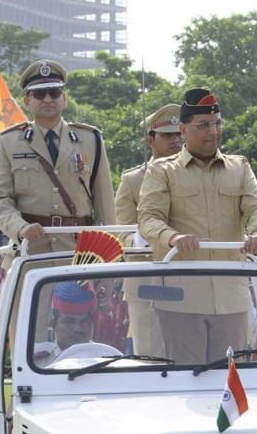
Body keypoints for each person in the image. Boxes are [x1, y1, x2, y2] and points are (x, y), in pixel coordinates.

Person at [137, 87, 257, 364]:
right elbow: (148, 219)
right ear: (183, 130)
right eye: (203, 126)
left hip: (231, 299)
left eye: (217, 123)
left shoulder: (240, 167)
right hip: (181, 300)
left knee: (230, 383)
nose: (213, 131)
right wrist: (172, 238)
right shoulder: (162, 170)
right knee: (188, 383)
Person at [0, 59, 115, 261]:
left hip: (79, 253)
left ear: (64, 98)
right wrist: (20, 228)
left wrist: (106, 257)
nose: (47, 99)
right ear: (27, 101)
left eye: (54, 93)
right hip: (30, 251)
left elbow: (104, 204)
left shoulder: (91, 139)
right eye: (39, 94)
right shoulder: (8, 142)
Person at [114, 103, 182, 357]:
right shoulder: (132, 181)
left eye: (179, 134)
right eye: (168, 135)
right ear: (150, 140)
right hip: (147, 278)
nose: (176, 140)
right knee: (152, 358)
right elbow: (120, 229)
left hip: (192, 276)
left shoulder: (198, 174)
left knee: (194, 361)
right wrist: (144, 237)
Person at [34, 281, 97, 367]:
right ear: (54, 324)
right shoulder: (37, 363)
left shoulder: (106, 358)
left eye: (84, 321)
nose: (78, 329)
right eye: (69, 321)